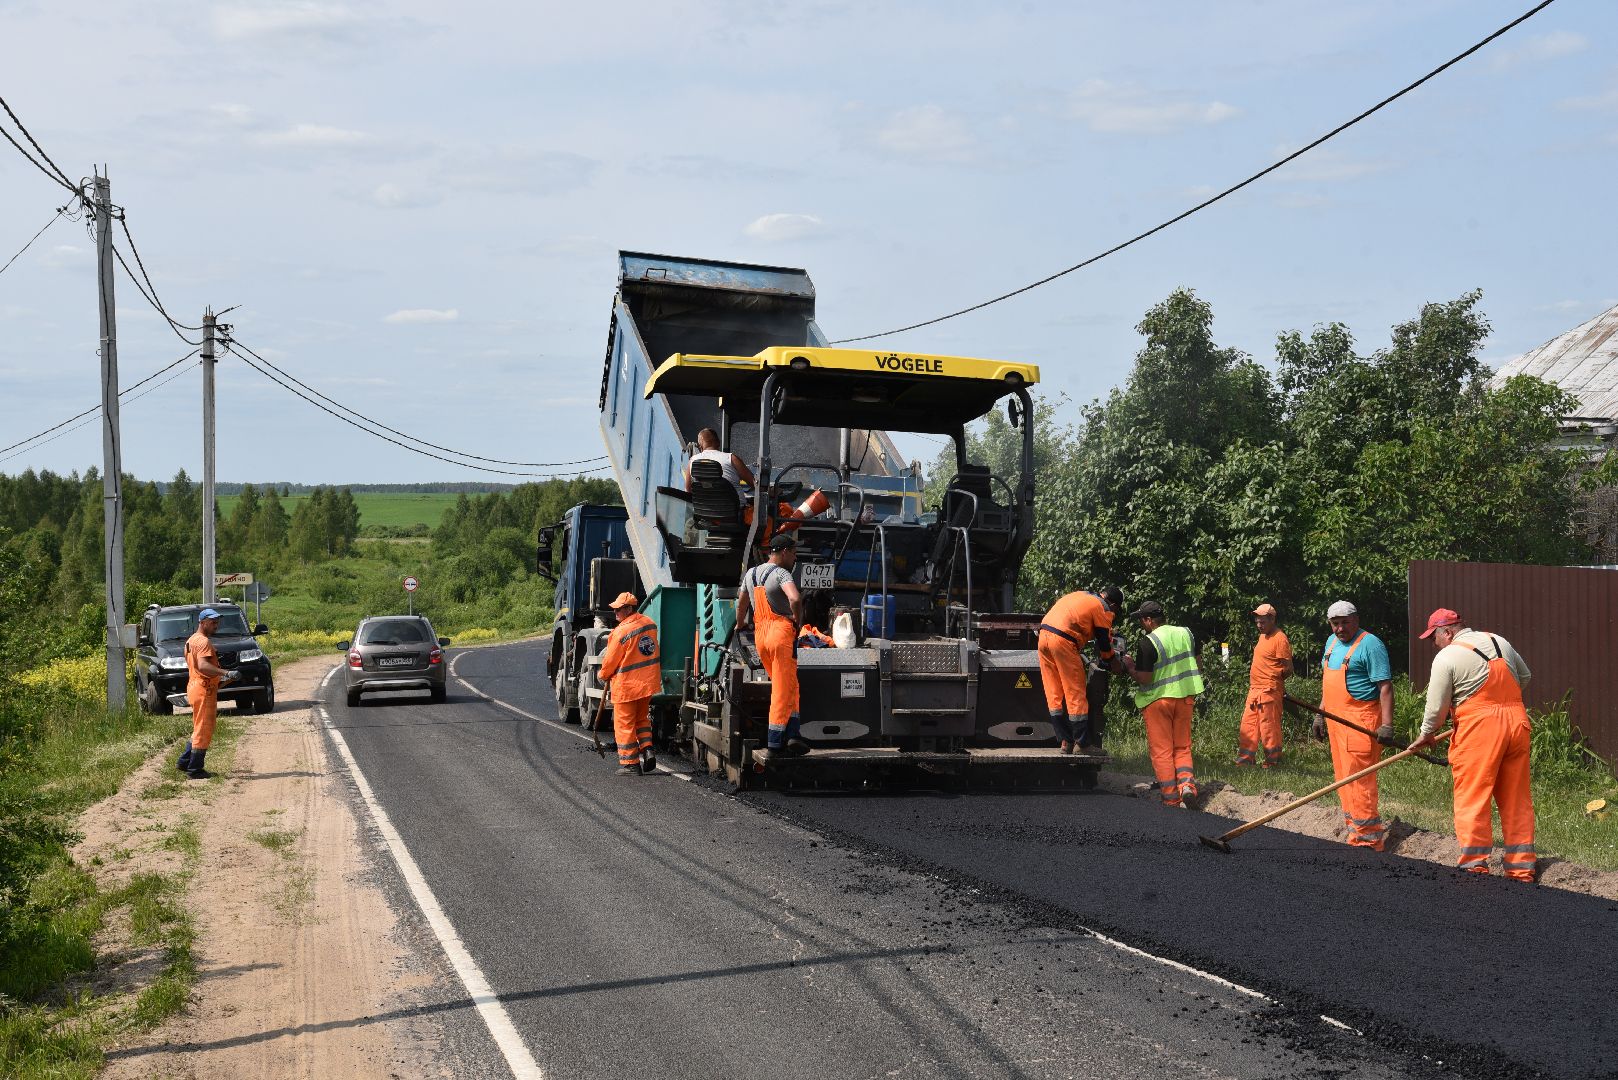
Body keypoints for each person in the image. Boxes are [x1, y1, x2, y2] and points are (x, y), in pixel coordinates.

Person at [1411, 608, 1537, 882]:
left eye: (1433, 638)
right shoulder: (1498, 640)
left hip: (1480, 730)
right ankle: (1521, 869)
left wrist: (1426, 733)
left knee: (1473, 795)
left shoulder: (1448, 656)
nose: (1433, 644)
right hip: (1517, 724)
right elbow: (1525, 676)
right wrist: (1502, 704)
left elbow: (1436, 708)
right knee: (1516, 797)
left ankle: (1474, 866)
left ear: (1447, 632)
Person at [1318, 600, 1394, 850]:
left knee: (1360, 780)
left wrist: (1387, 725)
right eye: (1335, 624)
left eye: (1345, 623)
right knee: (1343, 778)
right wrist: (1320, 713)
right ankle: (1355, 831)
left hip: (1360, 720)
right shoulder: (1331, 643)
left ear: (1356, 620)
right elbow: (1327, 682)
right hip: (1335, 720)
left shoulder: (1370, 645)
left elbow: (1385, 687)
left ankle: (1369, 839)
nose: (1340, 629)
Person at [1121, 601, 1205, 808]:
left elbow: (1145, 678)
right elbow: (1199, 664)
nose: (1142, 624)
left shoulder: (1148, 642)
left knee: (1162, 751)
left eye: (1142, 620)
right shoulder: (1187, 633)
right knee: (1182, 746)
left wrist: (1130, 667)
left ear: (1149, 620)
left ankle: (1171, 799)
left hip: (1158, 702)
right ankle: (1187, 786)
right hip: (1185, 698)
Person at [736, 533, 808, 755]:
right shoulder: (781, 573)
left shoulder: (750, 574)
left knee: (789, 685)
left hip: (761, 637)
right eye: (794, 553)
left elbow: (741, 604)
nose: (795, 558)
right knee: (781, 690)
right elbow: (795, 598)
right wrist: (797, 621)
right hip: (781, 634)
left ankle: (793, 735)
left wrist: (740, 624)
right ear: (784, 552)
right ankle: (775, 742)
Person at [1037, 586, 1123, 753]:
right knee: (1075, 691)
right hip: (1063, 641)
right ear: (1113, 605)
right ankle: (1083, 744)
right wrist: (1113, 662)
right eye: (1116, 611)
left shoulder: (1081, 595)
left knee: (1054, 692)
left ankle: (1066, 741)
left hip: (1043, 638)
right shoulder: (1103, 607)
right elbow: (1104, 642)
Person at [595, 592, 660, 775]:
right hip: (647, 683)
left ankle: (631, 763)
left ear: (629, 609)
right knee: (642, 719)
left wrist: (603, 674)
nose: (615, 613)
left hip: (627, 687)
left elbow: (610, 661)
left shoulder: (620, 632)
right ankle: (647, 749)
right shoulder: (649, 624)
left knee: (624, 724)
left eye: (618, 609)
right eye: (614, 609)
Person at [177, 608, 236, 780]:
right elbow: (203, 666)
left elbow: (197, 667)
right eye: (212, 622)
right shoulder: (203, 642)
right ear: (202, 623)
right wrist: (225, 672)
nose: (216, 626)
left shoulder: (191, 640)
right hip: (204, 689)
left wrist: (224, 678)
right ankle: (195, 769)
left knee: (199, 727)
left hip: (195, 686)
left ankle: (184, 761)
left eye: (217, 622)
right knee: (204, 729)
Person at [1237, 603, 1292, 768]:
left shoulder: (1280, 638)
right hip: (1254, 689)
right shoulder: (1263, 636)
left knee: (1269, 728)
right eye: (1257, 622)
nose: (1259, 625)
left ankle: (1272, 762)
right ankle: (1246, 760)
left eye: (1262, 622)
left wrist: (1274, 680)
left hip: (1269, 690)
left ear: (1272, 619)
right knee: (1248, 725)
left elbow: (1288, 669)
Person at [684, 427, 755, 497]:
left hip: (703, 504)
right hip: (735, 504)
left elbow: (688, 490)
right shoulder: (732, 458)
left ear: (700, 446)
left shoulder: (692, 461)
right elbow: (754, 483)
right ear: (718, 443)